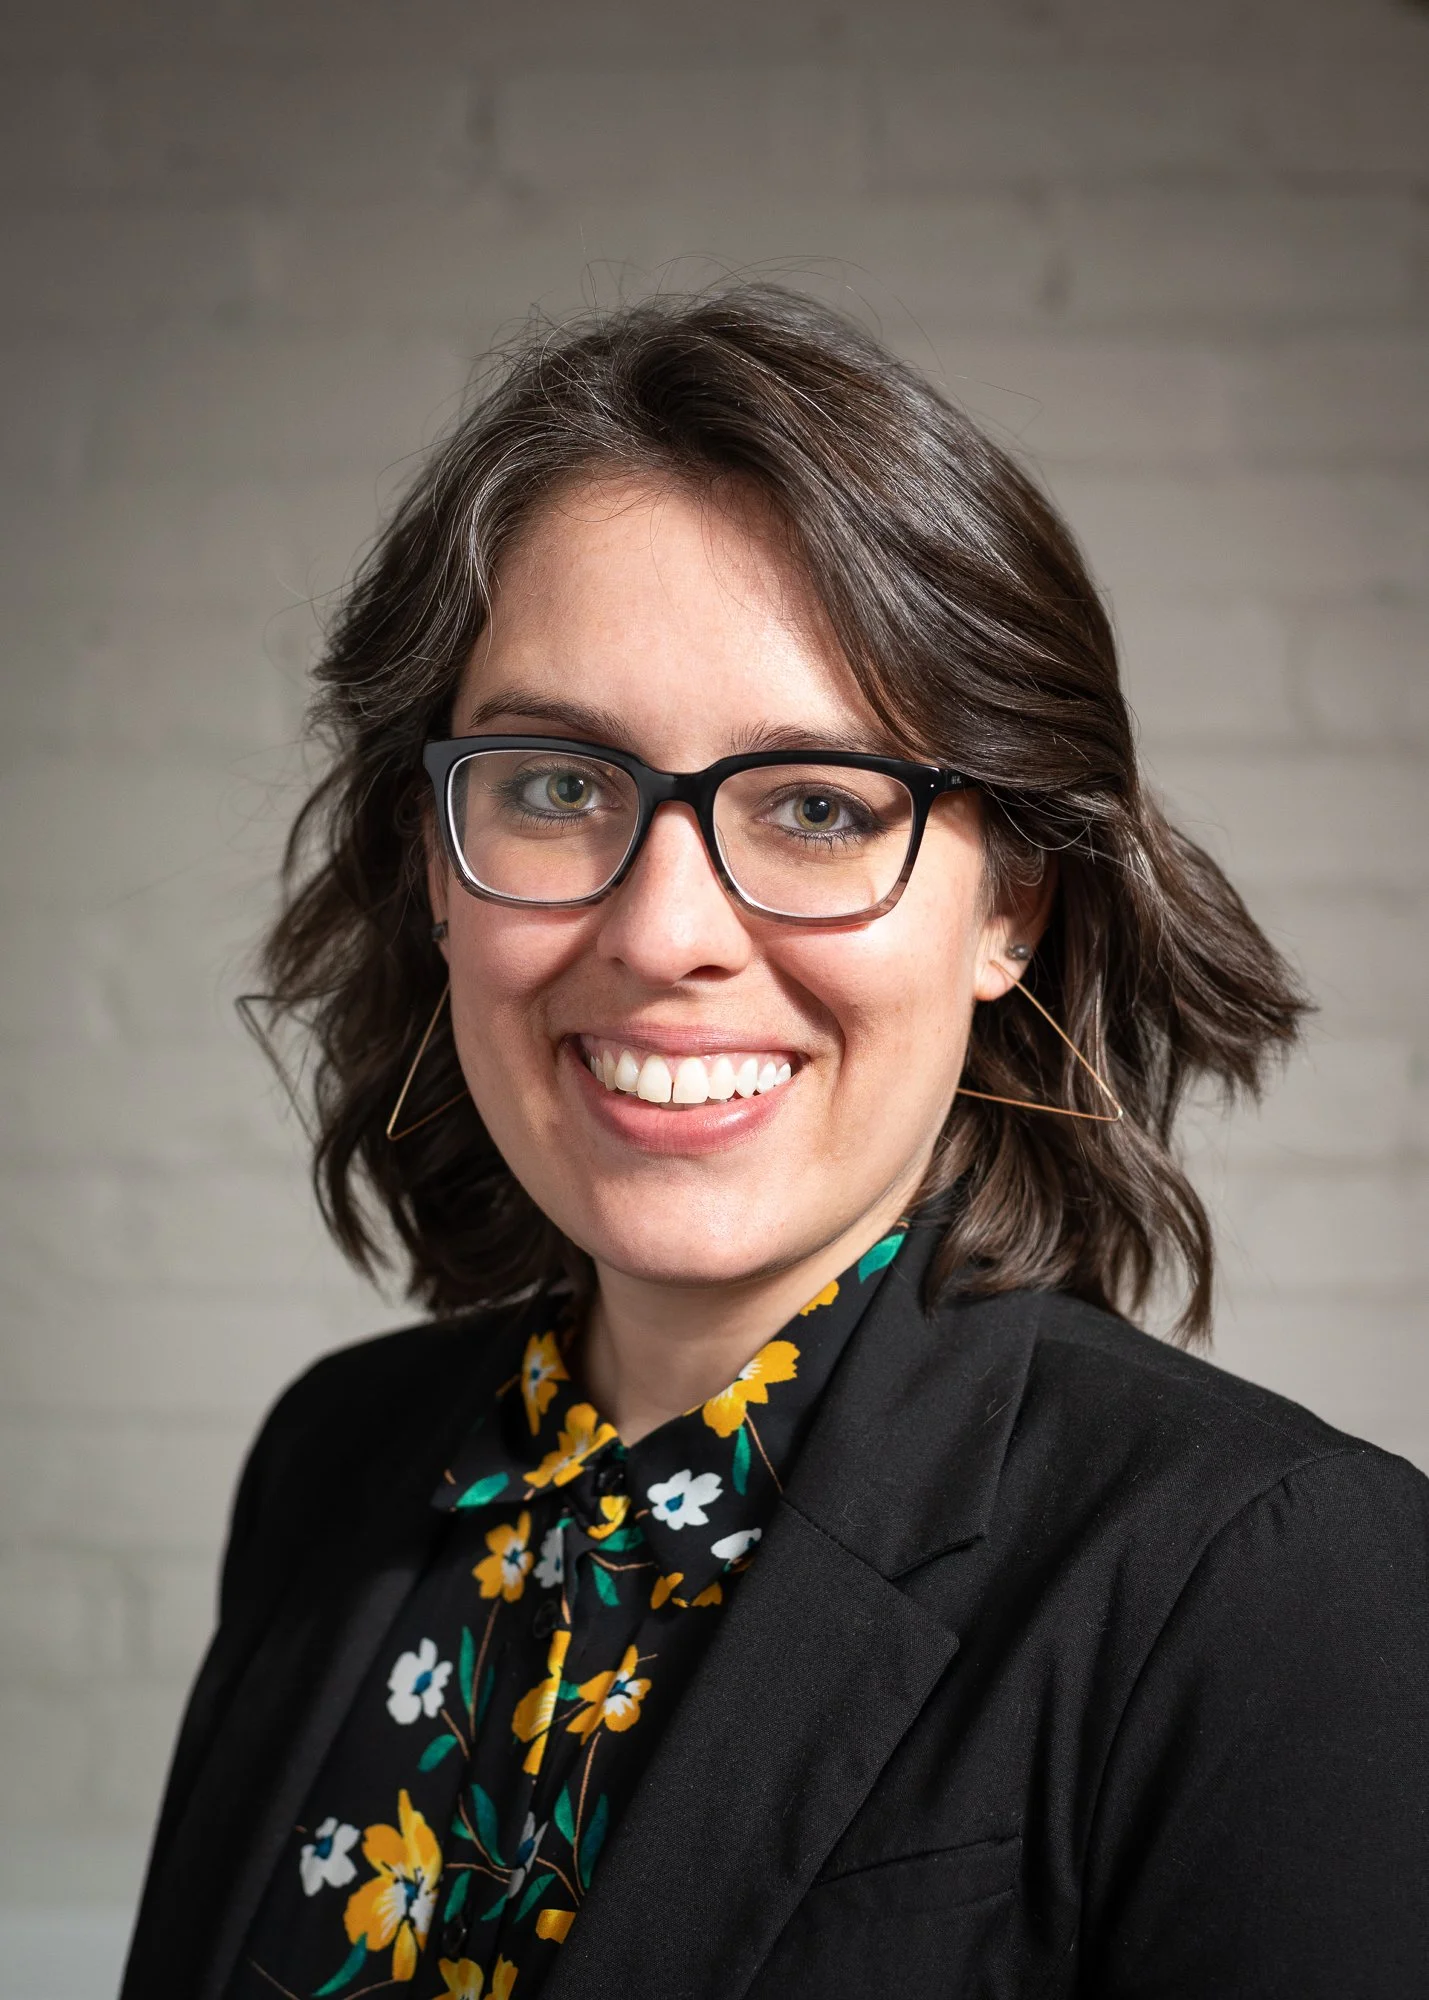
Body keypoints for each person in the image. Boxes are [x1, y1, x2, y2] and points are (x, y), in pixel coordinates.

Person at [122, 287, 1429, 2000]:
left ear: (1010, 906)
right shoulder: (329, 1472)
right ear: (439, 868)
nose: (665, 933)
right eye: (556, 784)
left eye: (817, 805)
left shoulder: (1271, 1584)